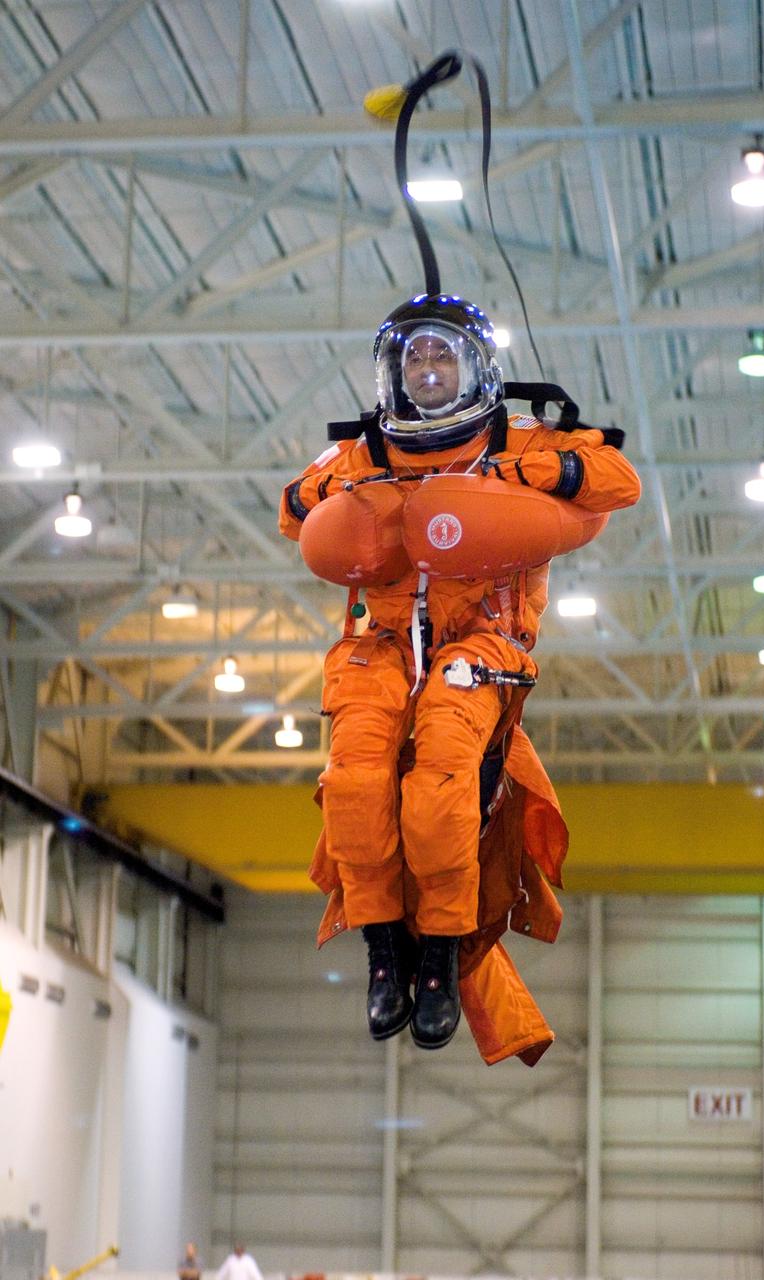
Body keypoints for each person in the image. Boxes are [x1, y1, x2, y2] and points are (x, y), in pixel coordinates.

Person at [279, 293, 641, 1057]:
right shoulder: (365, 452)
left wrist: (534, 469)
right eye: (412, 356)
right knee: (353, 783)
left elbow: (616, 479)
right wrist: (346, 498)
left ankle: (440, 954)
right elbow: (293, 509)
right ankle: (384, 949)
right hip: (380, 643)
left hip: (482, 643)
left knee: (441, 783)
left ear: (475, 365)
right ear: (392, 372)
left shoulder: (517, 436)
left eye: (441, 354)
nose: (427, 368)